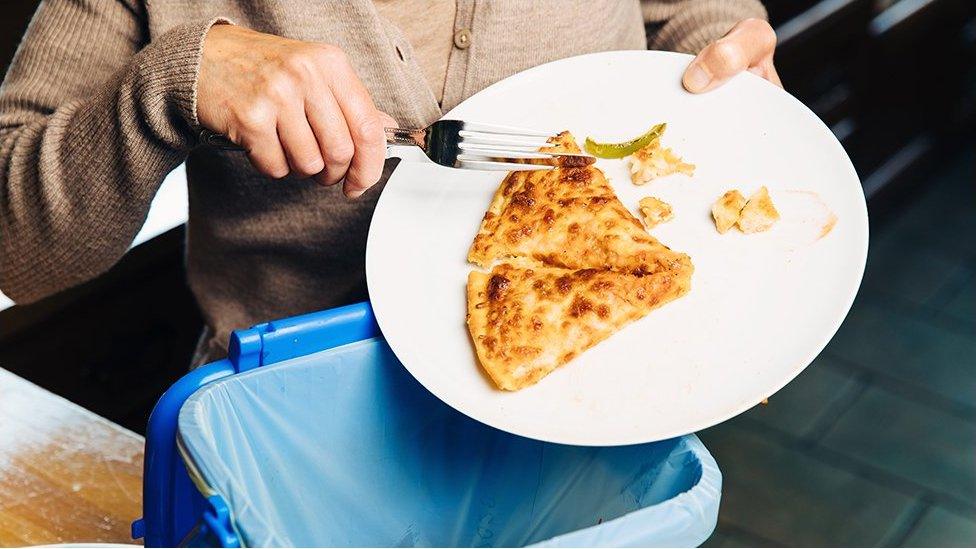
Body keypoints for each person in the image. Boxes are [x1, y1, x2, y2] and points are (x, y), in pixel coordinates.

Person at [0, 1, 780, 365]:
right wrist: (171, 82)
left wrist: (724, 54)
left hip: (614, 380)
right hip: (297, 426)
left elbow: (701, 16)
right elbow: (15, 250)